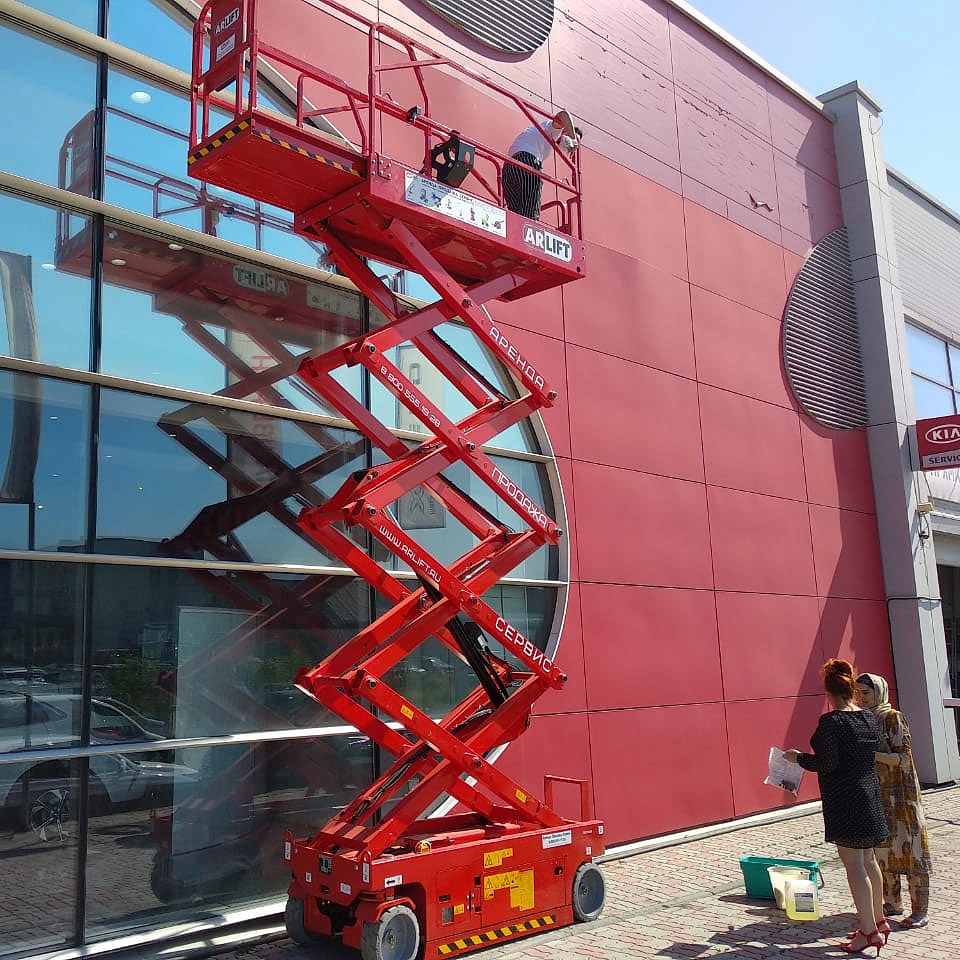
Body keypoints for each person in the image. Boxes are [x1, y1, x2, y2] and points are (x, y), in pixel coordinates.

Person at [784, 659, 889, 955]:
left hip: (846, 799)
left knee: (855, 866)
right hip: (870, 795)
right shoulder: (867, 717)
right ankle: (879, 921)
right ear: (852, 688)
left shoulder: (832, 722)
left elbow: (828, 763)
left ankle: (868, 932)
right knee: (869, 861)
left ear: (828, 692)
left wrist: (797, 758)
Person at [855, 673, 932, 930]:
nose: (861, 698)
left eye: (866, 692)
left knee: (912, 852)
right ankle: (892, 902)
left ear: (879, 692)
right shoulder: (863, 718)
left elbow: (904, 758)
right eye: (858, 693)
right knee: (884, 850)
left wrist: (872, 754)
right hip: (878, 795)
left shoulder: (892, 717)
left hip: (902, 796)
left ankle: (920, 911)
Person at [502, 109, 580, 219]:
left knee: (516, 215)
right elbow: (564, 115)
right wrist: (573, 137)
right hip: (527, 161)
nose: (571, 148)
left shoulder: (543, 137)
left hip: (509, 167)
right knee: (530, 214)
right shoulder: (553, 129)